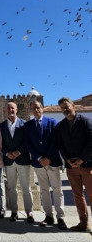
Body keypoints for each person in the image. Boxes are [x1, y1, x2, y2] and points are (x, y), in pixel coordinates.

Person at [24, 100, 67, 230]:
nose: (36, 110)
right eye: (33, 108)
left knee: (57, 189)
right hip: (38, 163)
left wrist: (48, 157)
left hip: (52, 161)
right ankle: (48, 215)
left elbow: (55, 141)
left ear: (42, 108)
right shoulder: (28, 125)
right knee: (44, 190)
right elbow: (28, 144)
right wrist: (39, 158)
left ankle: (61, 217)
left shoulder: (51, 122)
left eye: (38, 108)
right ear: (30, 110)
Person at [54, 97, 92, 232]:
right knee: (77, 195)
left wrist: (81, 159)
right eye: (62, 108)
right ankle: (83, 223)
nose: (65, 109)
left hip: (87, 165)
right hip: (71, 167)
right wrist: (67, 160)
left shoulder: (85, 122)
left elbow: (91, 142)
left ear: (73, 105)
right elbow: (60, 145)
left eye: (66, 106)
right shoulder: (60, 126)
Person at [0, 101, 34, 223]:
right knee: (11, 188)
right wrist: (7, 153)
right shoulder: (2, 126)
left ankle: (29, 211)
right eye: (8, 108)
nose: (10, 110)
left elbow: (28, 141)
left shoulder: (25, 125)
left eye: (12, 108)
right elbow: (0, 143)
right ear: (5, 111)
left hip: (23, 159)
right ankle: (14, 212)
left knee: (26, 188)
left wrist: (18, 152)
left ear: (16, 110)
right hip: (9, 161)